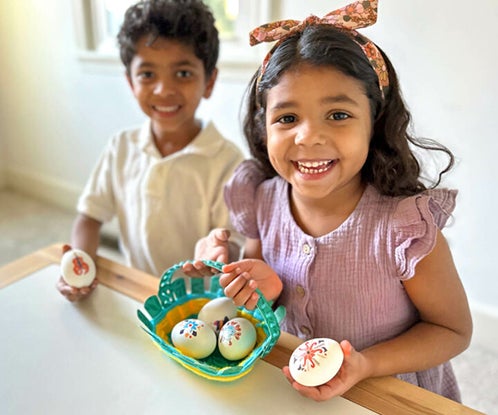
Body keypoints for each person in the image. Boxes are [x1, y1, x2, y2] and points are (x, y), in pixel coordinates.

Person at [184, 0, 472, 403]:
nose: (308, 137)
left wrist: (366, 364)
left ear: (376, 121)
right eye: (286, 118)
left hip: (387, 398)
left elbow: (452, 331)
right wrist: (243, 277)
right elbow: (260, 301)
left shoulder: (404, 226)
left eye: (337, 114)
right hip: (296, 392)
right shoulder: (261, 200)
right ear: (262, 128)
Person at [57, 0, 244, 301]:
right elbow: (89, 218)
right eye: (147, 74)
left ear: (209, 81)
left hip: (201, 306)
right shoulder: (122, 146)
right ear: (130, 82)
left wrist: (223, 250)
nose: (163, 90)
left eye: (182, 73)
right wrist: (80, 263)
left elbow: (235, 245)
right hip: (138, 293)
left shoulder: (229, 163)